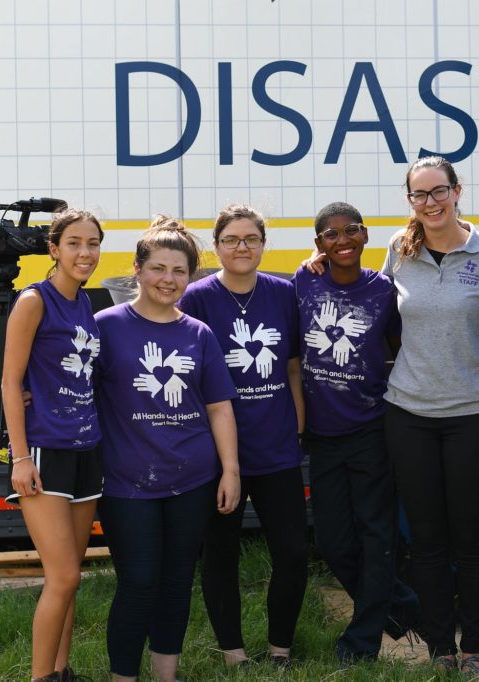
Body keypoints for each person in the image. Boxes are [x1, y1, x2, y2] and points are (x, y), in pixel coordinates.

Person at [381, 156, 479, 677]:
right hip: (410, 413)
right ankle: (441, 649)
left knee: (472, 536)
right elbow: (377, 314)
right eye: (419, 195)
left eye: (438, 191)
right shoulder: (398, 251)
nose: (430, 203)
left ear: (457, 191)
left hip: (477, 413)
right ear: (410, 201)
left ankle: (475, 651)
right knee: (426, 538)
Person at [94, 217, 240, 682]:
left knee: (177, 581)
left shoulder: (198, 333)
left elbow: (219, 407)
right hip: (125, 482)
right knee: (138, 582)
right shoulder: (105, 327)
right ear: (136, 270)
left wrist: (231, 470)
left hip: (192, 479)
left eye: (179, 271)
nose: (168, 279)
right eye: (158, 268)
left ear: (191, 276)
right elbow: (71, 383)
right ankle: (123, 677)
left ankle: (165, 676)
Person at [178, 204, 308, 667]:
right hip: (217, 455)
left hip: (276, 449)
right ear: (216, 247)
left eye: (251, 238)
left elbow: (292, 365)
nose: (241, 247)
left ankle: (280, 650)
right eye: (231, 239)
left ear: (263, 244)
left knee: (293, 552)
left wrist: (297, 421)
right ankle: (234, 653)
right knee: (220, 556)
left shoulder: (283, 293)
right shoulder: (195, 297)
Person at [293, 201, 420, 664]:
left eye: (352, 231)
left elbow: (397, 348)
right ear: (319, 245)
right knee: (332, 540)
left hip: (371, 427)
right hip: (322, 435)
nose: (342, 240)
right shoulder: (303, 281)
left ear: (365, 236)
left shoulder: (383, 290)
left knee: (376, 534)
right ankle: (402, 604)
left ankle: (361, 641)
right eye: (331, 234)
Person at [2, 209, 104, 682]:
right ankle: (40, 678)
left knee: (72, 580)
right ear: (54, 249)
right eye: (75, 243)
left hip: (87, 450)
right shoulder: (34, 301)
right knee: (61, 577)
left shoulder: (87, 303)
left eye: (93, 244)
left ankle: (62, 673)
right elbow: (9, 381)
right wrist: (20, 457)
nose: (85, 253)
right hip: (45, 450)